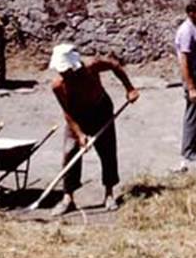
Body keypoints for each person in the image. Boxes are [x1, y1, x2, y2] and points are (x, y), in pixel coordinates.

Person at [48, 43, 139, 214]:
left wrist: (130, 88)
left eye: (66, 70)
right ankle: (68, 197)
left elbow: (114, 65)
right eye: (61, 71)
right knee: (70, 151)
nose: (63, 74)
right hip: (77, 116)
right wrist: (80, 134)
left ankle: (109, 193)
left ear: (73, 66)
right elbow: (67, 113)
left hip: (100, 109)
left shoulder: (92, 66)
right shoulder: (58, 86)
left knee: (107, 150)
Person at [175, 0, 196, 169]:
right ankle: (188, 151)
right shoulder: (186, 31)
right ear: (191, 13)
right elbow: (184, 61)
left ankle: (192, 147)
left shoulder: (195, 28)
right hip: (193, 74)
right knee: (193, 112)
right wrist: (191, 87)